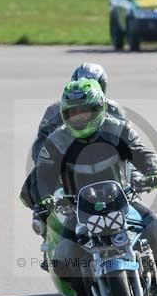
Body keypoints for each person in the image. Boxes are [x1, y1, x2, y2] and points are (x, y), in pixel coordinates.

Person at [34, 79, 157, 296]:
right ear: (64, 114)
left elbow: (142, 152)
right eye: (73, 112)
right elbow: (43, 176)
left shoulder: (119, 129)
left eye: (86, 110)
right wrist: (46, 197)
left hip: (122, 201)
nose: (80, 117)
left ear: (100, 108)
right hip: (77, 208)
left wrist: (152, 172)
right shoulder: (56, 141)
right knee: (62, 257)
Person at [20, 63, 127, 210]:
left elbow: (127, 145)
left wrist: (137, 178)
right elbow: (41, 144)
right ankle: (42, 215)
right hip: (69, 164)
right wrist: (50, 165)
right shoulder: (54, 111)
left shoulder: (115, 110)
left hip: (106, 165)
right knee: (38, 179)